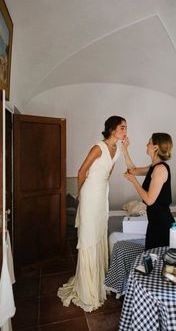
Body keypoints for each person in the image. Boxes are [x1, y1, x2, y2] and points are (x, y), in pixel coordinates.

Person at [58, 116, 127, 312]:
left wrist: (101, 187)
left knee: (99, 234)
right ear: (113, 129)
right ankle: (87, 288)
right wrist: (80, 194)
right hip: (90, 194)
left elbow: (108, 173)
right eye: (123, 127)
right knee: (89, 236)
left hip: (102, 194)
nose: (125, 131)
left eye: (126, 127)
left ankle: (98, 281)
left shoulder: (118, 150)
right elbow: (81, 171)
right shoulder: (98, 147)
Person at [122, 133, 174, 250]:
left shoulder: (160, 169)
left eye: (149, 142)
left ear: (155, 147)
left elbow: (149, 200)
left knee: (157, 261)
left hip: (162, 224)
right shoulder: (154, 166)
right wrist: (125, 149)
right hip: (154, 222)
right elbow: (133, 170)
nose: (147, 144)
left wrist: (134, 181)